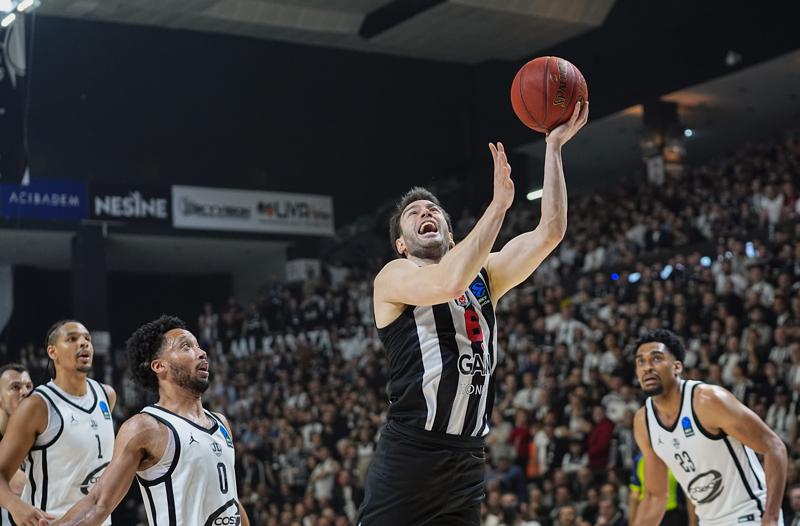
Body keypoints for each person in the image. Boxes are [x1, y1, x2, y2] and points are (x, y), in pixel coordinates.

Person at [357, 101, 588, 525]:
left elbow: (551, 231)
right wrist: (498, 207)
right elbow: (447, 283)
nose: (425, 213)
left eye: (433, 210)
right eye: (413, 213)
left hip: (467, 457)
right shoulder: (394, 275)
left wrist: (554, 148)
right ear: (402, 244)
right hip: (412, 451)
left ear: (451, 233)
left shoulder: (488, 274)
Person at [48, 315, 249, 526]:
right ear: (159, 366)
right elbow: (98, 503)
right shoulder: (146, 427)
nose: (201, 353)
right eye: (186, 347)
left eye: (198, 346)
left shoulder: (220, 423)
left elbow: (230, 500)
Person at [632, 329, 787, 526]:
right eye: (641, 361)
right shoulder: (644, 422)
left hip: (751, 515)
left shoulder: (708, 401)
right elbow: (655, 497)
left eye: (656, 358)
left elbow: (774, 447)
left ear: (677, 366)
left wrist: (771, 517)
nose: (647, 367)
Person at [0, 321, 116, 526]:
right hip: (52, 520)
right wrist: (16, 506)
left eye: (87, 339)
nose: (83, 343)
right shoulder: (37, 405)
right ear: (52, 352)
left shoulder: (106, 395)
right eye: (72, 339)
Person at [0, 363, 34, 524]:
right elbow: (19, 485)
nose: (25, 392)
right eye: (15, 387)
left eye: (29, 386)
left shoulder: (41, 435)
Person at [628, 451, 696, 526]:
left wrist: (692, 522)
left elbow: (634, 496)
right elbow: (634, 496)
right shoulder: (640, 459)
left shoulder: (675, 459)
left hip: (667, 513)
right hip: (656, 512)